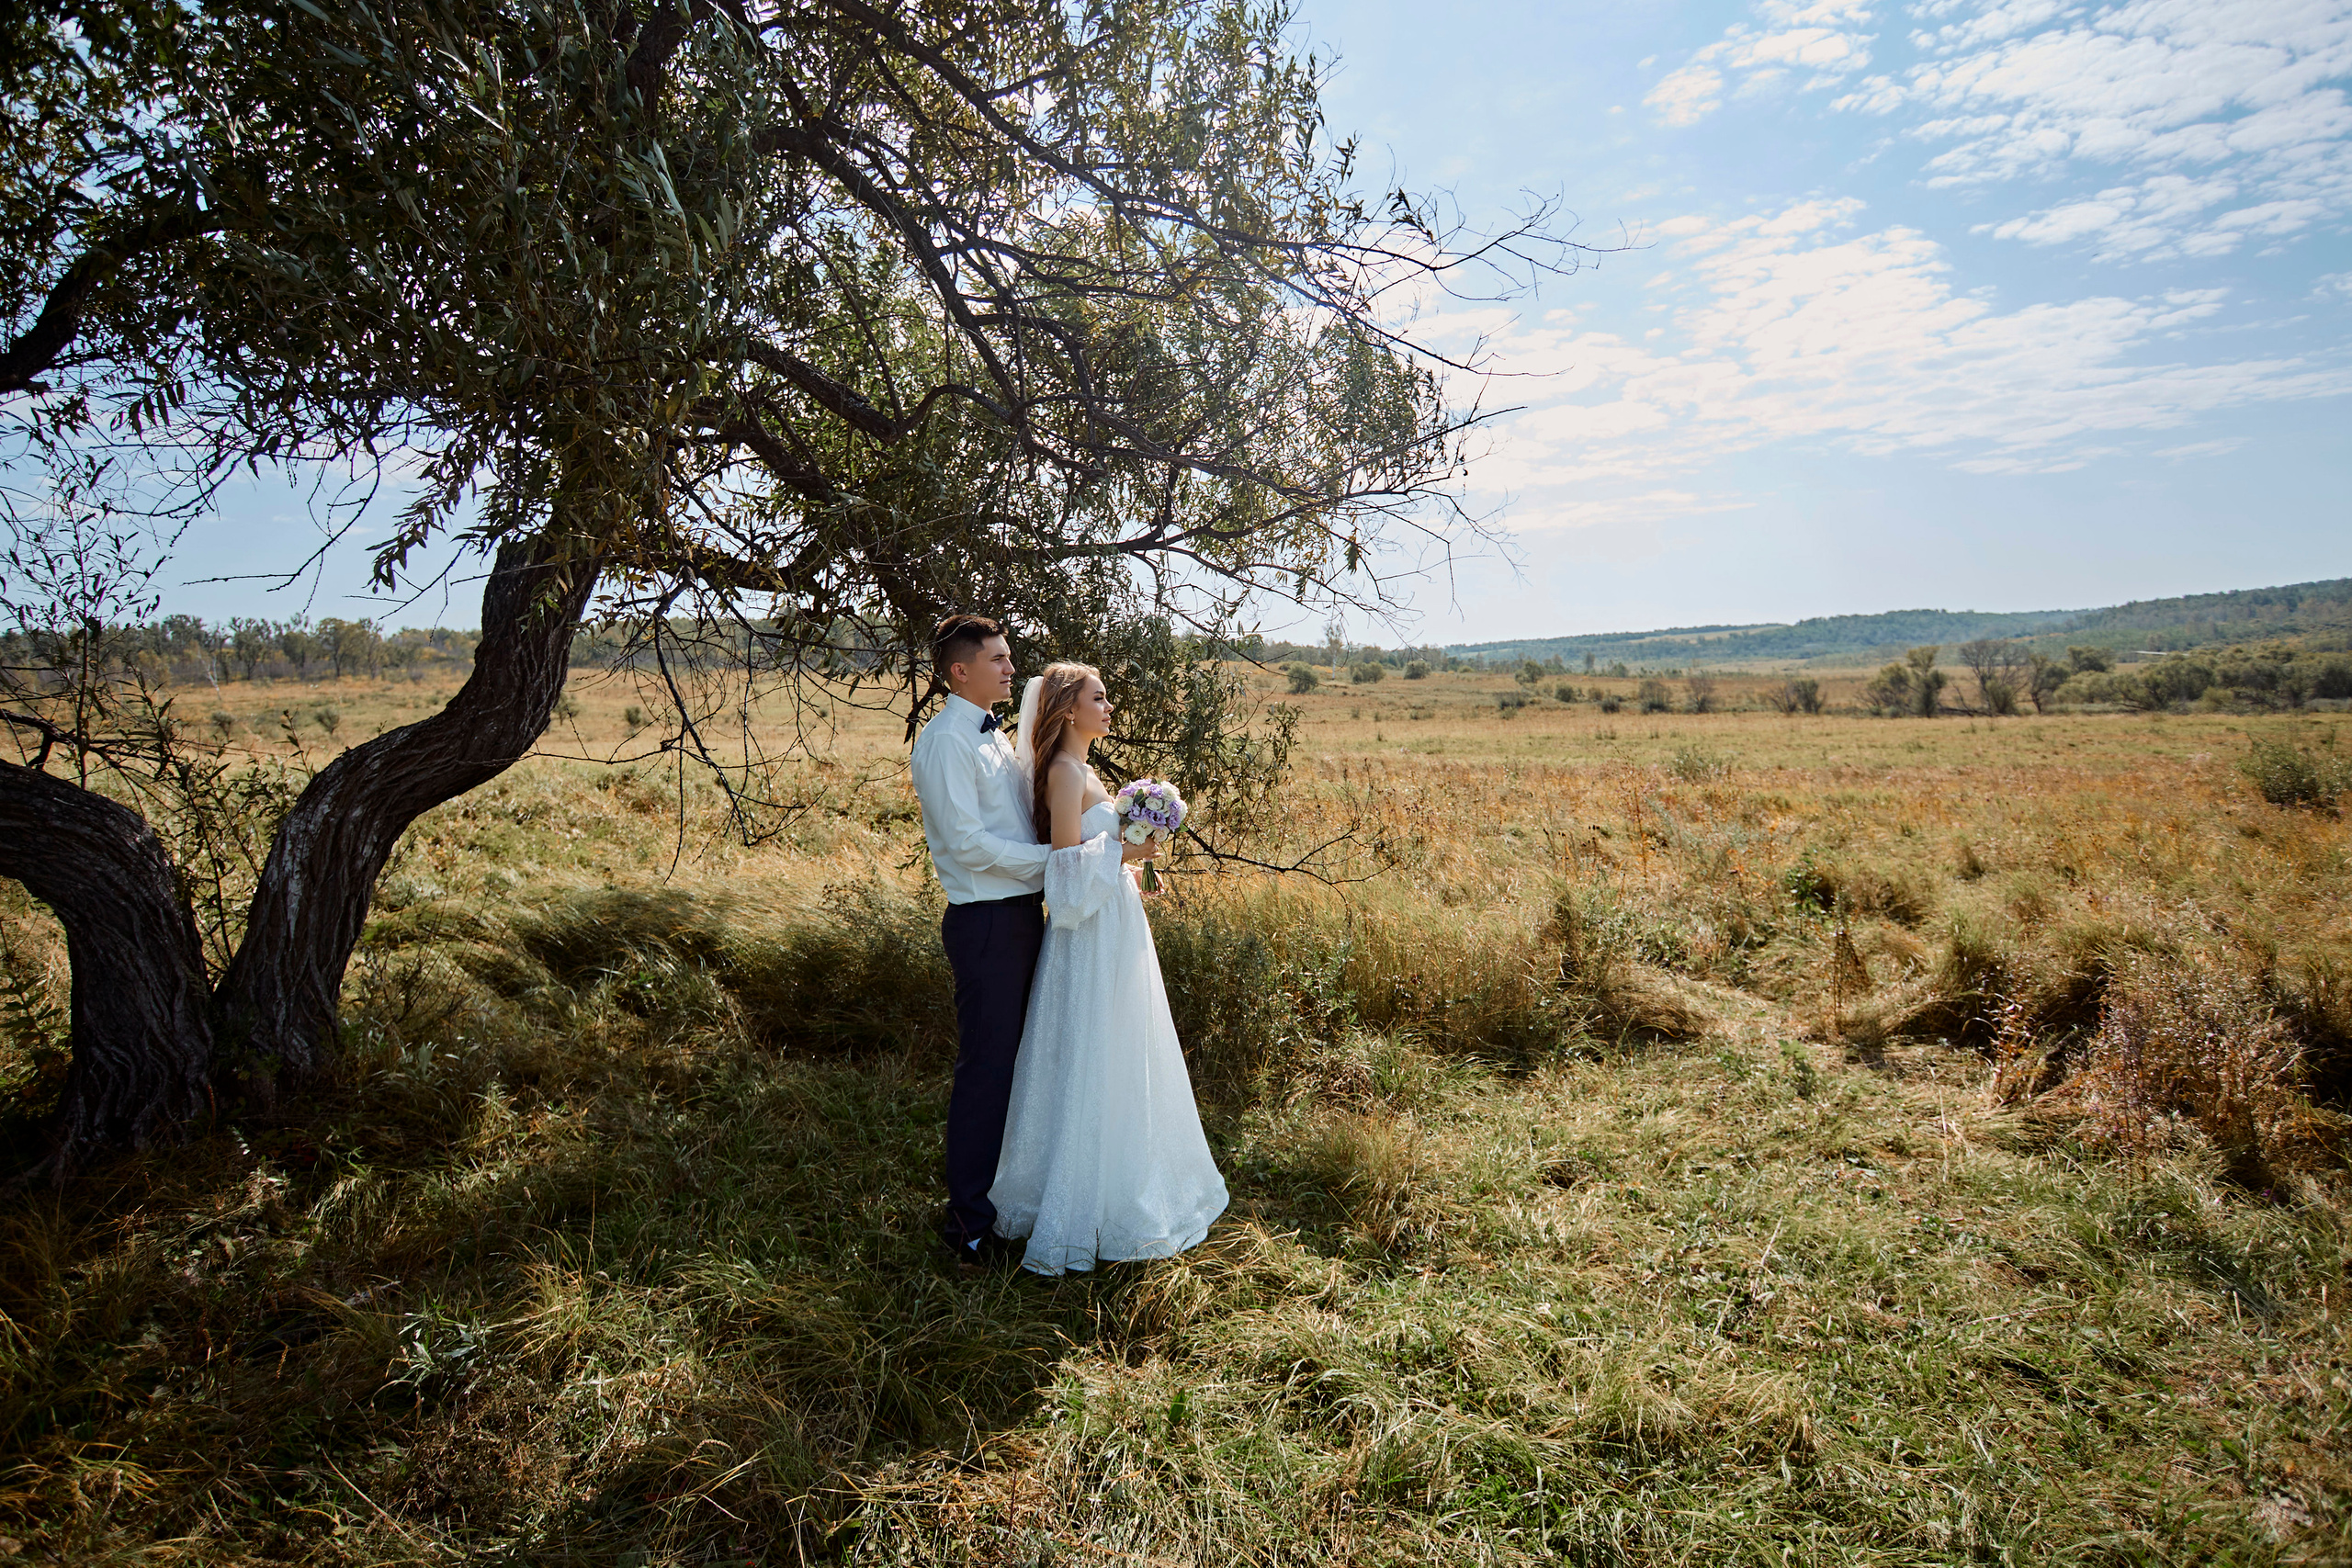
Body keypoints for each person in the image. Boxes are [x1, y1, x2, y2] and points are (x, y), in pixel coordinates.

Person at [908, 617, 1157, 1267]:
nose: (1010, 668)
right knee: (987, 1071)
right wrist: (1053, 861)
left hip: (1023, 916)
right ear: (960, 670)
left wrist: (1078, 859)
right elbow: (965, 843)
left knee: (1026, 1067)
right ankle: (966, 1226)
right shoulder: (943, 743)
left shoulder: (998, 741)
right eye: (997, 658)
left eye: (1009, 656)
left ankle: (1010, 1197)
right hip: (985, 922)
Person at [986, 661, 1229, 1275]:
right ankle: (1075, 1201)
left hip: (1114, 923)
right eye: (1100, 697)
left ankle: (1123, 1179)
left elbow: (1093, 857)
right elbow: (1063, 870)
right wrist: (1126, 849)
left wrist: (1131, 862)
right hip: (1087, 934)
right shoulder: (1065, 774)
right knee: (1091, 1049)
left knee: (1121, 1048)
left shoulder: (1087, 771)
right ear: (1070, 709)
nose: (1110, 707)